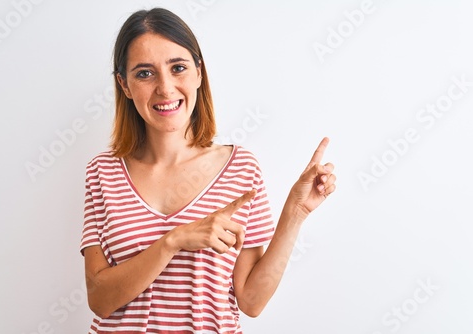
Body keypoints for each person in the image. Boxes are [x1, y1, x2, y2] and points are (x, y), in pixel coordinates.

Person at [80, 7, 336, 334]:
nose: (165, 88)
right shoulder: (102, 172)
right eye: (145, 73)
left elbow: (252, 301)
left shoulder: (241, 167)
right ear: (124, 85)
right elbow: (99, 299)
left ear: (199, 73)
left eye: (178, 68)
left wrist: (296, 211)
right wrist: (173, 241)